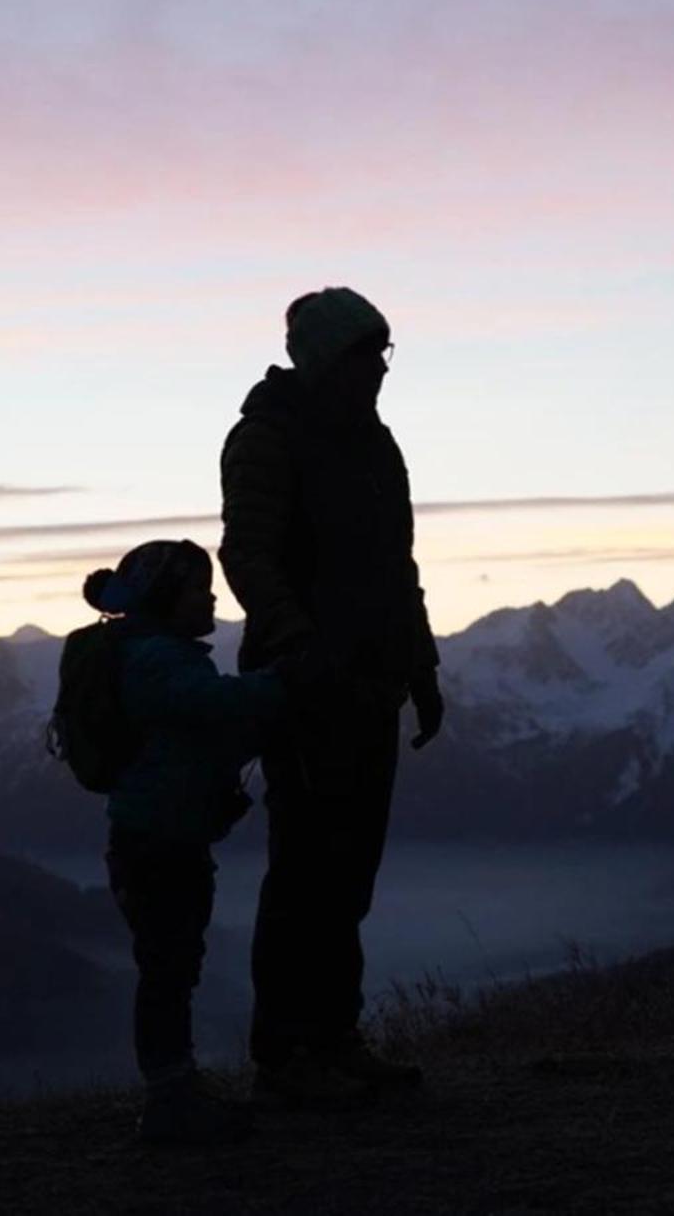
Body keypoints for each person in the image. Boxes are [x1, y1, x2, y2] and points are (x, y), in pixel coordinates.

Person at [220, 287, 445, 1106]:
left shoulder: (376, 446)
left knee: (347, 871)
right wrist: (298, 644)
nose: (380, 369)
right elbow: (246, 554)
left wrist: (420, 666)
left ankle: (335, 1035)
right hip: (304, 688)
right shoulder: (266, 438)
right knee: (305, 869)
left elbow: (399, 568)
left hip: (371, 685)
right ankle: (286, 1054)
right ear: (324, 357)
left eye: (385, 353)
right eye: (365, 353)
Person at [85, 539, 287, 1144]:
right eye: (200, 589)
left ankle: (176, 1088)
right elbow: (212, 706)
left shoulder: (148, 654)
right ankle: (171, 1102)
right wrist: (284, 683)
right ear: (168, 598)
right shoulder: (158, 660)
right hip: (160, 844)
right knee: (169, 968)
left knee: (173, 965)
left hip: (156, 838)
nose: (213, 597)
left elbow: (198, 733)